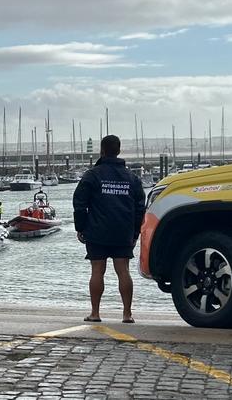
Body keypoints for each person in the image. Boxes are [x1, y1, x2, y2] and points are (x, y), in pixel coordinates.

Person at [73, 135, 146, 324]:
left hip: (97, 231)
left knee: (97, 270)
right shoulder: (132, 178)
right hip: (123, 231)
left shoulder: (93, 175)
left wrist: (81, 227)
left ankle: (95, 313)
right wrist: (135, 232)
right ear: (119, 151)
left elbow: (79, 202)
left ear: (102, 151)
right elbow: (140, 207)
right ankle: (127, 314)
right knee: (123, 271)